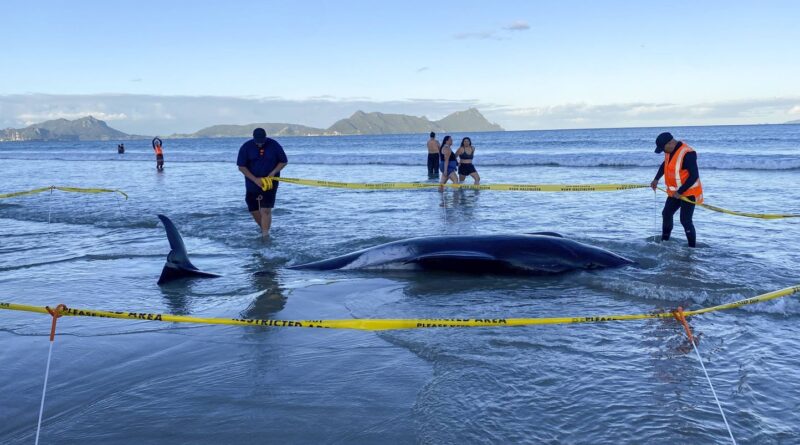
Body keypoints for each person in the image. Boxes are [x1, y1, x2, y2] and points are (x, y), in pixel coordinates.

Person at [650, 132, 703, 247]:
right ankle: (665, 242)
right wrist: (656, 179)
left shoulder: (688, 153)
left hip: (689, 192)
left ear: (670, 143)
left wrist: (680, 192)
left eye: (663, 149)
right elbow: (665, 164)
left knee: (685, 221)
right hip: (675, 193)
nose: (664, 152)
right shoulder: (670, 151)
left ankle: (692, 248)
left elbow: (694, 176)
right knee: (666, 213)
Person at [237, 128, 288, 237]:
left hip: (270, 181)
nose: (260, 144)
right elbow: (241, 167)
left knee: (265, 209)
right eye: (258, 142)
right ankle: (264, 228)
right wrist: (255, 179)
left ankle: (265, 235)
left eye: (262, 141)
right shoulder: (246, 147)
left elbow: (283, 161)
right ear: (253, 138)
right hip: (252, 182)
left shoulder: (274, 145)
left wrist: (273, 172)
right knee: (253, 209)